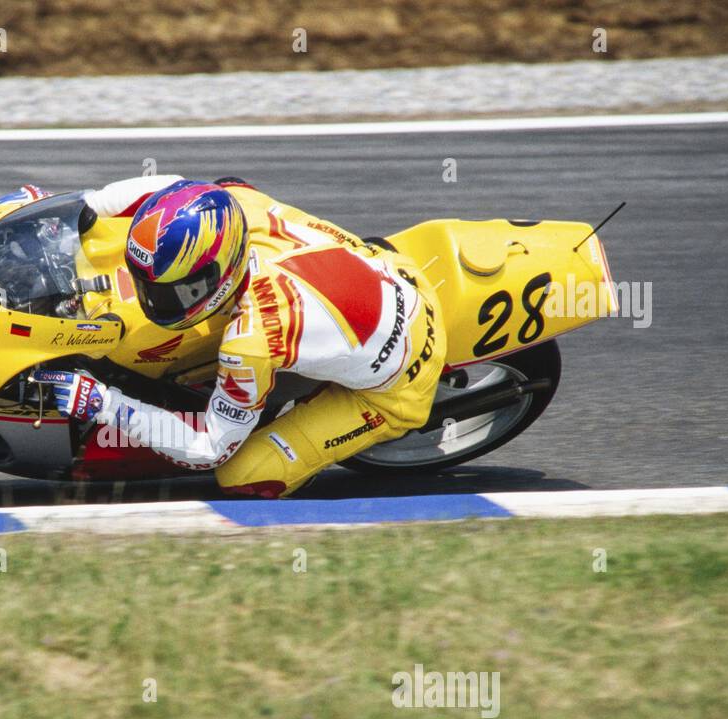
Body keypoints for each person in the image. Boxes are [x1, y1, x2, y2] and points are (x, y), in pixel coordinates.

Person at [39, 175, 447, 497]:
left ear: (217, 278)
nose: (151, 299)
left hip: (403, 374)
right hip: (386, 269)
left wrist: (105, 403)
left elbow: (209, 449)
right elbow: (168, 187)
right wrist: (77, 206)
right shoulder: (232, 203)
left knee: (243, 474)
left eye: (169, 292)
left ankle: (305, 422)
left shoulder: (250, 341)